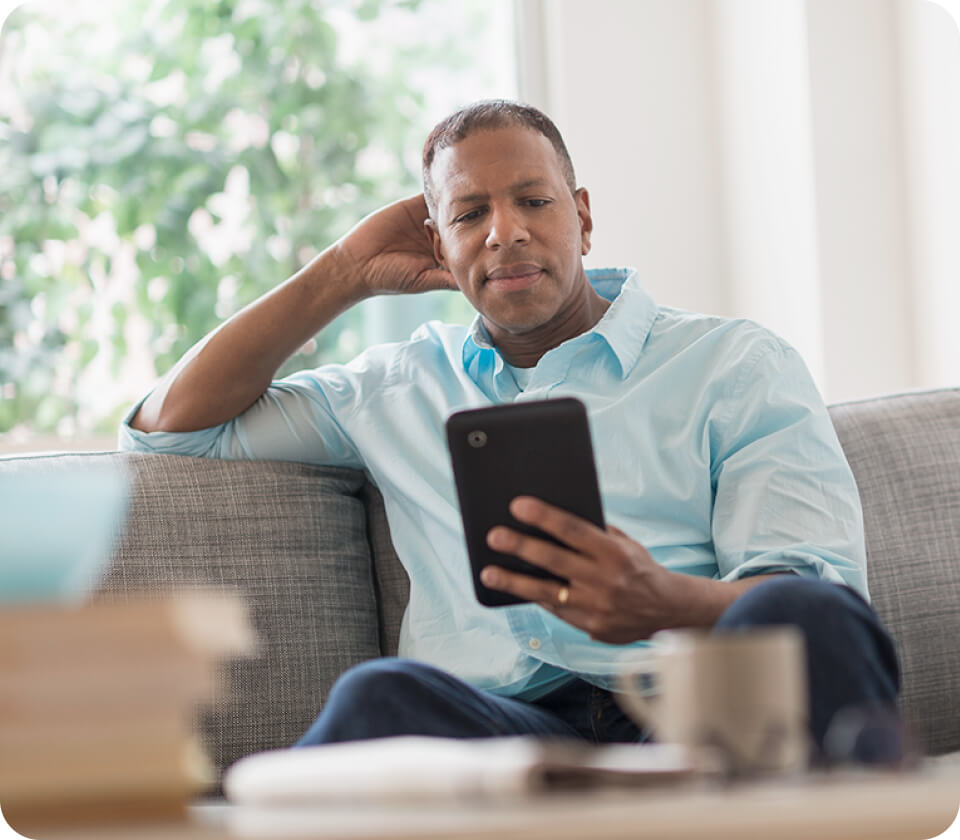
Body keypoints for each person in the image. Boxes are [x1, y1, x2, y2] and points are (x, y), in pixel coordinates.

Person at [121, 100, 900, 760]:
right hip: (497, 736)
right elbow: (171, 429)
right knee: (379, 695)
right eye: (468, 215)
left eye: (534, 201)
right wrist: (347, 271)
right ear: (438, 246)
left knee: (810, 617)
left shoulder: (734, 364)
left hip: (695, 712)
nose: (505, 233)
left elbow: (819, 599)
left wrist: (663, 601)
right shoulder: (396, 387)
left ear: (583, 217)